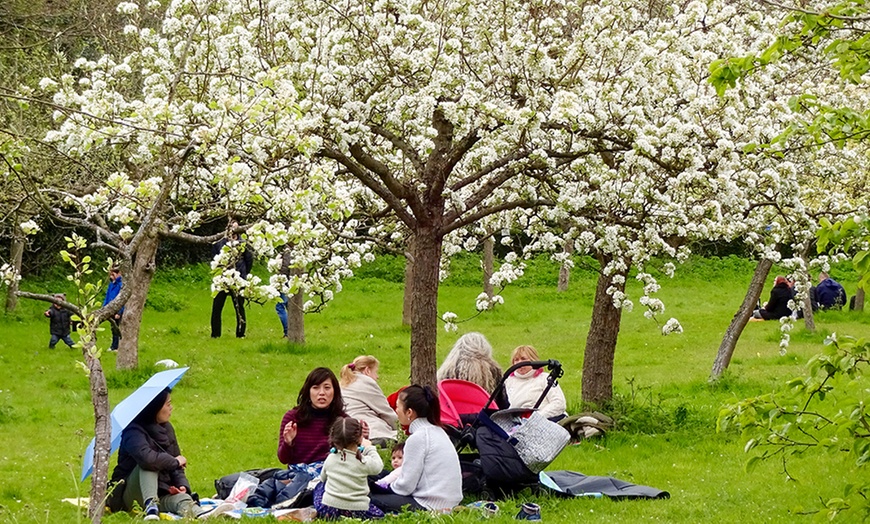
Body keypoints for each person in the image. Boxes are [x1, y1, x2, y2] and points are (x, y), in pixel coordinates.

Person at [107, 388, 213, 520]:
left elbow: (177, 467)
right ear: (154, 408)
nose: (171, 408)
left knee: (182, 499)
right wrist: (175, 462)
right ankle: (151, 506)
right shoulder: (132, 431)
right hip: (128, 494)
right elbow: (149, 460)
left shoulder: (167, 428)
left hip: (160, 490)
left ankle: (201, 515)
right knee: (148, 466)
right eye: (168, 404)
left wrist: (181, 486)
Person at [370, 385, 463, 513]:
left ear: (409, 412)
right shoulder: (437, 431)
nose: (395, 411)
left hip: (430, 504)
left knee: (367, 497)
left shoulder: (418, 438)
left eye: (397, 407)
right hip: (447, 500)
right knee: (382, 476)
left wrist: (382, 487)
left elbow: (405, 486)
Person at [313, 418, 385, 520]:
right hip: (358, 509)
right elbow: (378, 466)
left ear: (333, 438)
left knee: (320, 485)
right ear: (360, 438)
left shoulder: (330, 458)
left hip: (329, 509)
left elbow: (323, 478)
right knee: (380, 514)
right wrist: (369, 448)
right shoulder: (363, 461)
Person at [278, 367, 348, 467]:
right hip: (299, 477)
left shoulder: (343, 420)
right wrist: (287, 443)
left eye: (327, 388)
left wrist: (360, 439)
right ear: (308, 391)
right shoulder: (293, 418)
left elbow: (353, 456)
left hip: (332, 475)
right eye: (316, 388)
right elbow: (283, 459)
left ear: (335, 391)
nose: (322, 393)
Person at [437, 332, 508, 408]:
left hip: (453, 415)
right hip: (484, 416)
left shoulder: (448, 370)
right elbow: (503, 403)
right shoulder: (493, 369)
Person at [340, 356, 398, 446]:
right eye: (375, 372)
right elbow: (387, 413)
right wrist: (402, 429)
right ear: (367, 370)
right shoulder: (366, 382)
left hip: (350, 432)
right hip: (373, 432)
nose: (377, 377)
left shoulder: (344, 384)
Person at [210, 221, 253, 338]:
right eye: (231, 228)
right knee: (216, 308)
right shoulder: (219, 243)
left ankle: (240, 334)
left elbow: (249, 261)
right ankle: (215, 334)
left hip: (238, 279)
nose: (233, 230)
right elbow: (214, 259)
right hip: (222, 279)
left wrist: (243, 274)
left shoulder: (243, 244)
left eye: (236, 228)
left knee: (239, 308)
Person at [505, 345, 568, 421]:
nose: (519, 363)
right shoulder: (508, 382)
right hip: (518, 422)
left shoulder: (545, 379)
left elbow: (559, 403)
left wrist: (536, 418)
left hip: (546, 420)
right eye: (516, 360)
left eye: (523, 359)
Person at [103, 267, 124, 351]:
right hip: (111, 309)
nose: (111, 276)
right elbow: (107, 296)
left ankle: (117, 346)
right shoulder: (111, 284)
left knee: (117, 328)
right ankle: (114, 345)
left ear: (119, 274)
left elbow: (123, 299)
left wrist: (119, 312)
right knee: (113, 328)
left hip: (117, 310)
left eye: (113, 274)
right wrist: (104, 308)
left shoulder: (121, 284)